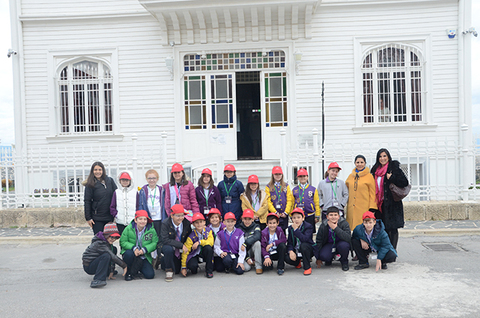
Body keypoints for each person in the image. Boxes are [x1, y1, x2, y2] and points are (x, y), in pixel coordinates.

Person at [370, 148, 409, 250]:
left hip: (392, 204)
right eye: (380, 156)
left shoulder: (394, 168)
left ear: (388, 157)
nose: (382, 158)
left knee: (392, 229)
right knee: (383, 229)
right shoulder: (375, 170)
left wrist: (392, 178)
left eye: (384, 156)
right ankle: (385, 249)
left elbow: (404, 182)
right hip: (380, 204)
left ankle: (392, 251)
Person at [82, 222, 127, 288]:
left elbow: (112, 256)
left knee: (113, 249)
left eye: (116, 237)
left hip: (97, 262)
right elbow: (112, 257)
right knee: (106, 256)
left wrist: (111, 271)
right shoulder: (100, 243)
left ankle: (107, 272)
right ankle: (98, 279)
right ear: (106, 235)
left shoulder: (106, 242)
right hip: (89, 266)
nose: (113, 239)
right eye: (112, 237)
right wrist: (124, 265)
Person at [137, 169, 166, 268]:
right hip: (148, 218)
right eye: (149, 178)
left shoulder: (161, 190)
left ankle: (158, 257)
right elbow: (140, 205)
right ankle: (151, 258)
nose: (152, 180)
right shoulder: (143, 190)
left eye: (154, 178)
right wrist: (142, 218)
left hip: (159, 217)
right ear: (146, 179)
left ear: (157, 179)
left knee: (159, 238)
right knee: (149, 238)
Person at [119, 210, 158, 281]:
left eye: (145, 219)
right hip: (132, 253)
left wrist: (145, 250)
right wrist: (133, 248)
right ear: (135, 220)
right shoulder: (128, 228)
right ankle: (129, 272)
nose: (142, 221)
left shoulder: (151, 230)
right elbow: (122, 241)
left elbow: (155, 243)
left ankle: (138, 268)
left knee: (150, 275)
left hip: (144, 255)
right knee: (128, 254)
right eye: (140, 219)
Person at [158, 204, 192, 282]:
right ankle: (168, 270)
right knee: (168, 249)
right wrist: (180, 245)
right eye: (178, 216)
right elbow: (165, 240)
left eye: (182, 215)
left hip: (180, 247)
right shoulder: (165, 223)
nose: (180, 218)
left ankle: (163, 261)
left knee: (176, 270)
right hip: (167, 245)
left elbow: (188, 236)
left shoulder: (186, 223)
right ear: (172, 216)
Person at [84, 161, 117, 234]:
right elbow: (87, 201)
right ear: (92, 171)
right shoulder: (90, 184)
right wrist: (88, 218)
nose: (97, 172)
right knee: (99, 240)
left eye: (100, 169)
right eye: (95, 170)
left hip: (109, 216)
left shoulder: (110, 181)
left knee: (109, 239)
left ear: (103, 170)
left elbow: (116, 195)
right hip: (97, 218)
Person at [345, 155, 377, 231]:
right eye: (357, 162)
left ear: (365, 163)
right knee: (351, 228)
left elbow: (373, 193)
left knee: (363, 228)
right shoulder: (350, 176)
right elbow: (346, 189)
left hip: (364, 207)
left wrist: (372, 207)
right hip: (351, 208)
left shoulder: (369, 176)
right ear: (355, 163)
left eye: (362, 162)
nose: (359, 164)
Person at [315, 206, 351, 271]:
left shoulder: (344, 223)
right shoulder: (323, 225)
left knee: (344, 246)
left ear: (338, 216)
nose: (333, 217)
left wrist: (335, 228)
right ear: (327, 217)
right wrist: (318, 258)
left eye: (335, 215)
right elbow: (319, 240)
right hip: (329, 244)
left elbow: (348, 238)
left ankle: (344, 261)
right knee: (324, 256)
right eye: (331, 215)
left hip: (341, 243)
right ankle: (329, 258)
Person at [285, 208, 319, 275]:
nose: (296, 219)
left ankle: (307, 267)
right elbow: (290, 242)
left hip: (307, 249)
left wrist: (296, 230)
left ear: (303, 218)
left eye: (298, 217)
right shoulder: (290, 228)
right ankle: (297, 262)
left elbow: (305, 239)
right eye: (294, 218)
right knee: (287, 258)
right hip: (297, 250)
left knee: (304, 246)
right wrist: (291, 251)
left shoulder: (308, 226)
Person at [181, 213, 214, 278]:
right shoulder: (191, 236)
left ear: (204, 222)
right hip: (195, 254)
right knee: (192, 267)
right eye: (196, 223)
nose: (199, 224)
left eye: (201, 222)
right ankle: (195, 266)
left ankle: (209, 271)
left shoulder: (208, 231)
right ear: (193, 224)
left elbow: (211, 242)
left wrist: (199, 242)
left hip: (204, 253)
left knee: (208, 248)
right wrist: (184, 267)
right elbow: (186, 251)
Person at [266, 166, 294, 233]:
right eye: (276, 174)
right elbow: (268, 201)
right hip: (274, 214)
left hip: (283, 214)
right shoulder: (268, 187)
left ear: (282, 175)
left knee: (283, 232)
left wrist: (286, 212)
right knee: (273, 231)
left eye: (279, 174)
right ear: (273, 175)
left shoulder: (286, 186)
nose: (278, 176)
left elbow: (289, 199)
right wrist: (274, 212)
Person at [109, 171, 137, 235]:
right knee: (122, 239)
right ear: (120, 181)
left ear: (130, 181)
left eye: (127, 180)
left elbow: (138, 206)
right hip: (120, 222)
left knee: (132, 238)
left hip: (132, 221)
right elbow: (112, 206)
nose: (125, 182)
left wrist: (136, 216)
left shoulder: (135, 192)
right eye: (123, 180)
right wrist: (116, 215)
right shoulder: (116, 192)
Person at [237, 209, 263, 274]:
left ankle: (258, 266)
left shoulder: (256, 226)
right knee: (246, 268)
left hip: (254, 250)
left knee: (257, 243)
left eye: (249, 219)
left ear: (252, 219)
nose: (247, 221)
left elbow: (257, 236)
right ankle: (251, 261)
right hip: (245, 252)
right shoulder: (239, 229)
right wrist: (247, 258)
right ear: (242, 219)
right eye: (245, 219)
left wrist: (245, 243)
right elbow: (239, 246)